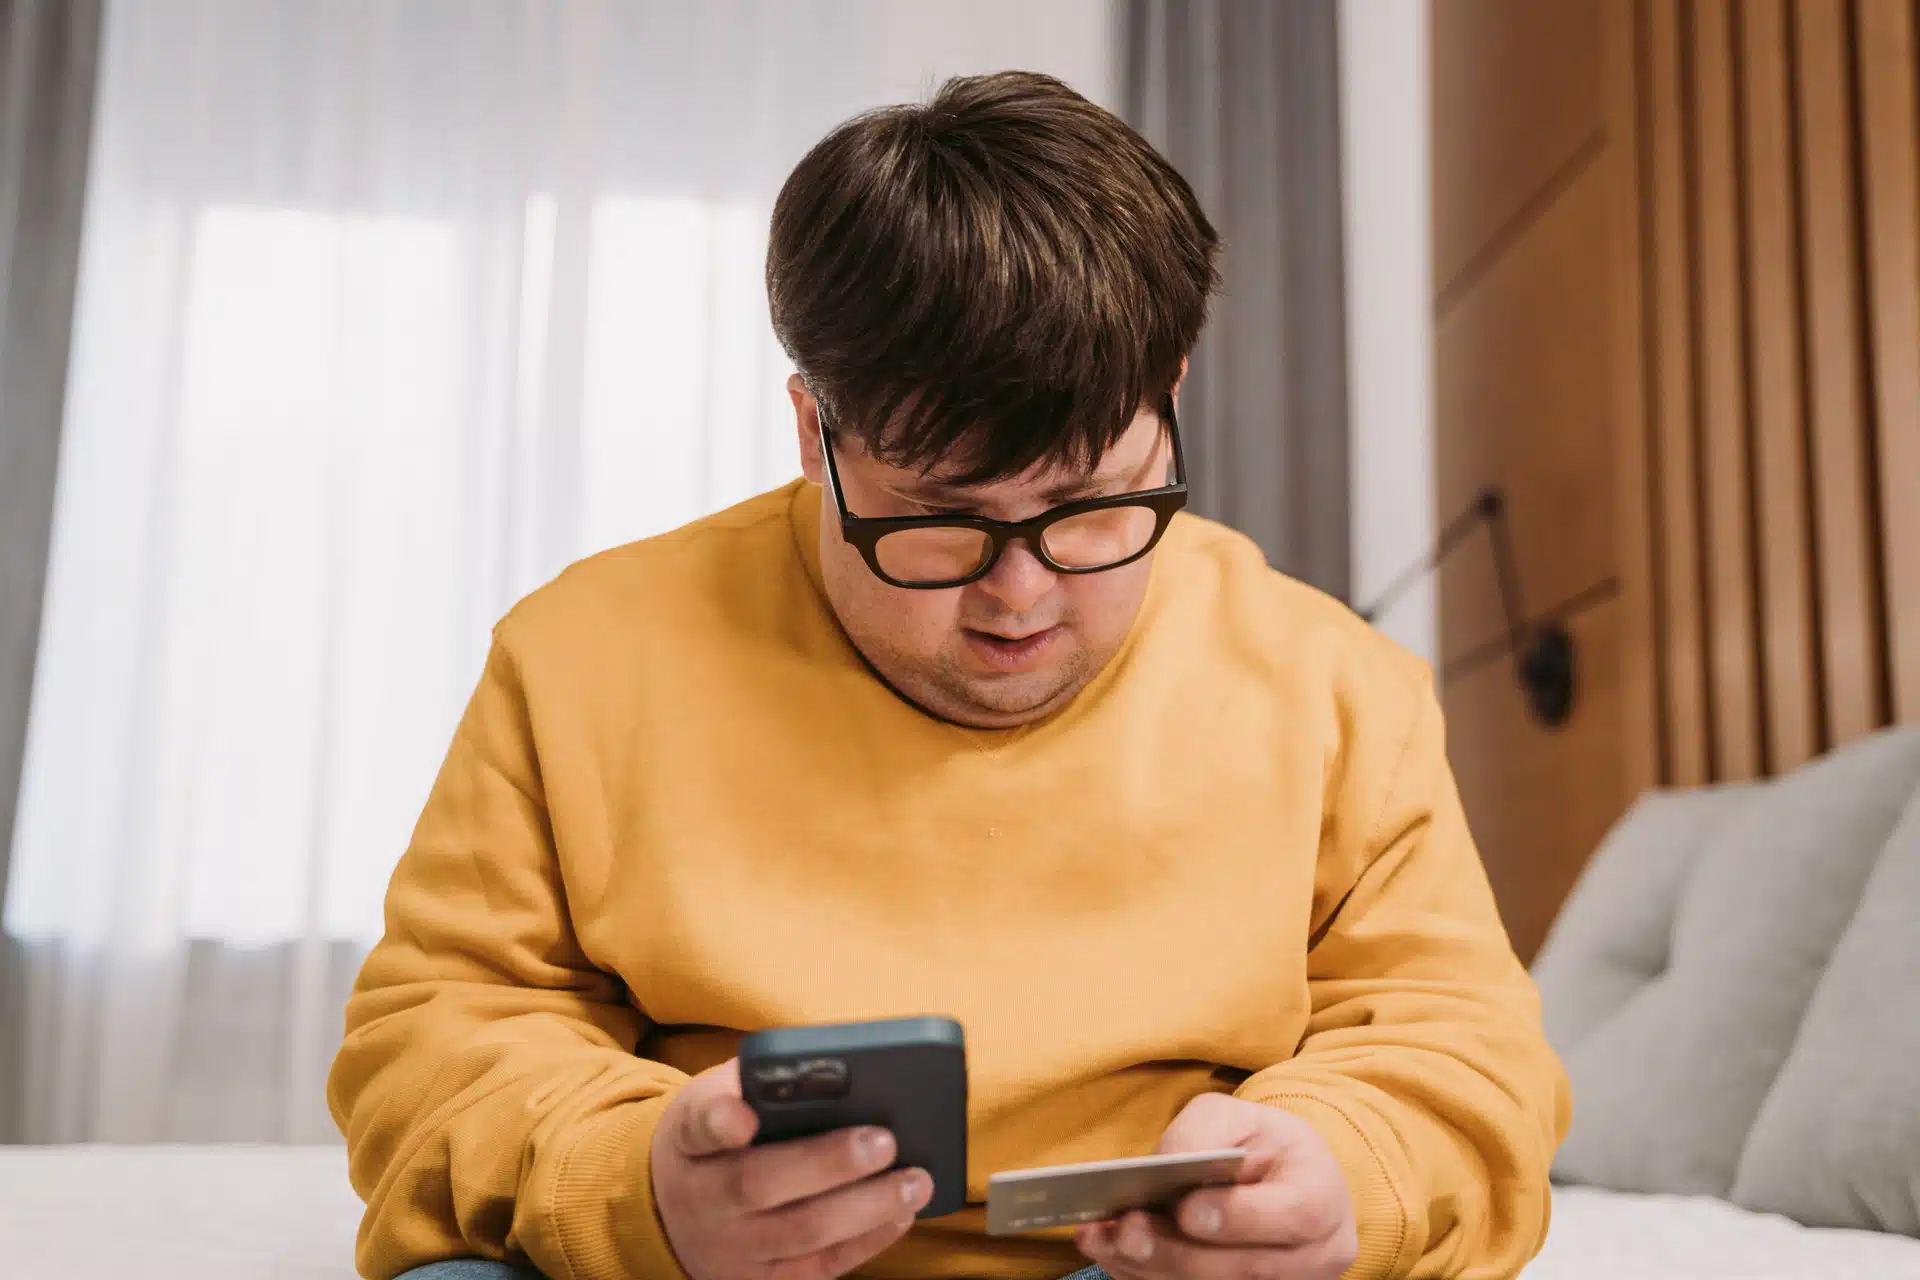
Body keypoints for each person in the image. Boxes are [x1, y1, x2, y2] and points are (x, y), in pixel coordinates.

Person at [328, 71, 1569, 1280]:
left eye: (1088, 507)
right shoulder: (579, 658)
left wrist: (1342, 1168)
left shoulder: (1340, 689)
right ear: (813, 430)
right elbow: (435, 1041)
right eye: (941, 519)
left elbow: (1461, 1050)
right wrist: (632, 1181)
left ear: (1170, 395)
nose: (1018, 595)